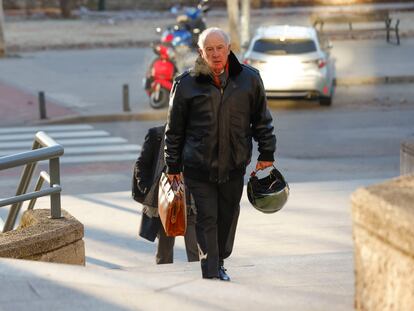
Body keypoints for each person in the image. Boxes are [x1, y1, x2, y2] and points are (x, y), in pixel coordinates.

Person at [164, 27, 276, 280]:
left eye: (220, 48)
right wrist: (172, 167)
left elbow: (262, 121)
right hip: (198, 167)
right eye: (209, 49)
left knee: (228, 215)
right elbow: (174, 131)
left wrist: (266, 154)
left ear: (229, 49)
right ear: (201, 53)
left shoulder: (250, 79)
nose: (215, 54)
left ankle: (220, 258)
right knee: (206, 217)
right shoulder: (185, 84)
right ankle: (211, 269)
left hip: (234, 165)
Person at [134, 125, 199, 264]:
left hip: (191, 204)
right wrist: (148, 190)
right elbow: (141, 164)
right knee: (164, 253)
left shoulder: (196, 134)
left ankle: (200, 281)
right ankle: (164, 278)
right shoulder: (157, 135)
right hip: (166, 203)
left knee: (196, 253)